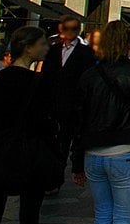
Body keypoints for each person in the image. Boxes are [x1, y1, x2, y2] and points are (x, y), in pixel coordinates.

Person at [70, 20, 130, 224]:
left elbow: (78, 121)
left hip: (93, 152)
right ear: (128, 43)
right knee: (122, 216)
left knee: (102, 213)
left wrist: (76, 161)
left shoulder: (89, 75)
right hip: (125, 151)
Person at [0, 27, 57, 224]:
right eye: (42, 44)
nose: (46, 48)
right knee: (29, 219)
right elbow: (45, 124)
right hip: (30, 154)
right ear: (29, 48)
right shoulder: (39, 83)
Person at [41, 14, 96, 193]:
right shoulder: (53, 50)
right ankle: (53, 179)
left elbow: (88, 79)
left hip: (76, 105)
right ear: (61, 29)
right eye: (67, 28)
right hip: (54, 104)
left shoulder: (86, 53)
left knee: (73, 141)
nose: (71, 32)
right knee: (56, 144)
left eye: (74, 29)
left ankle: (74, 170)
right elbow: (46, 76)